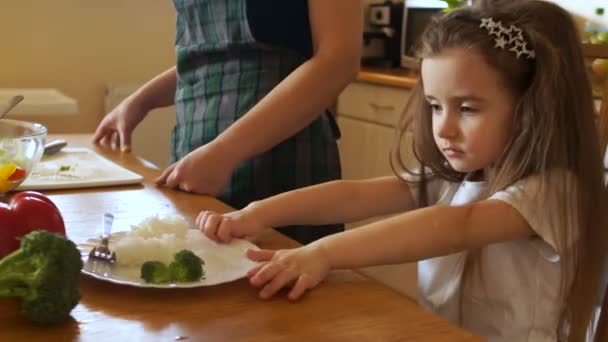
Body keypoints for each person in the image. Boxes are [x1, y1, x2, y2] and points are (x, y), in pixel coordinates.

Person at [194, 1, 608, 341]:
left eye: (467, 108)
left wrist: (323, 253)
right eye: (434, 105)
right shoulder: (459, 178)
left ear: (531, 109)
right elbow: (354, 195)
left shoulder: (553, 192)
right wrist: (257, 214)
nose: (443, 127)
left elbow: (457, 225)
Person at [92, 0, 363, 244]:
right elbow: (214, 56)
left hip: (279, 160)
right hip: (196, 152)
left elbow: (338, 60)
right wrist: (140, 101)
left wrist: (226, 151)